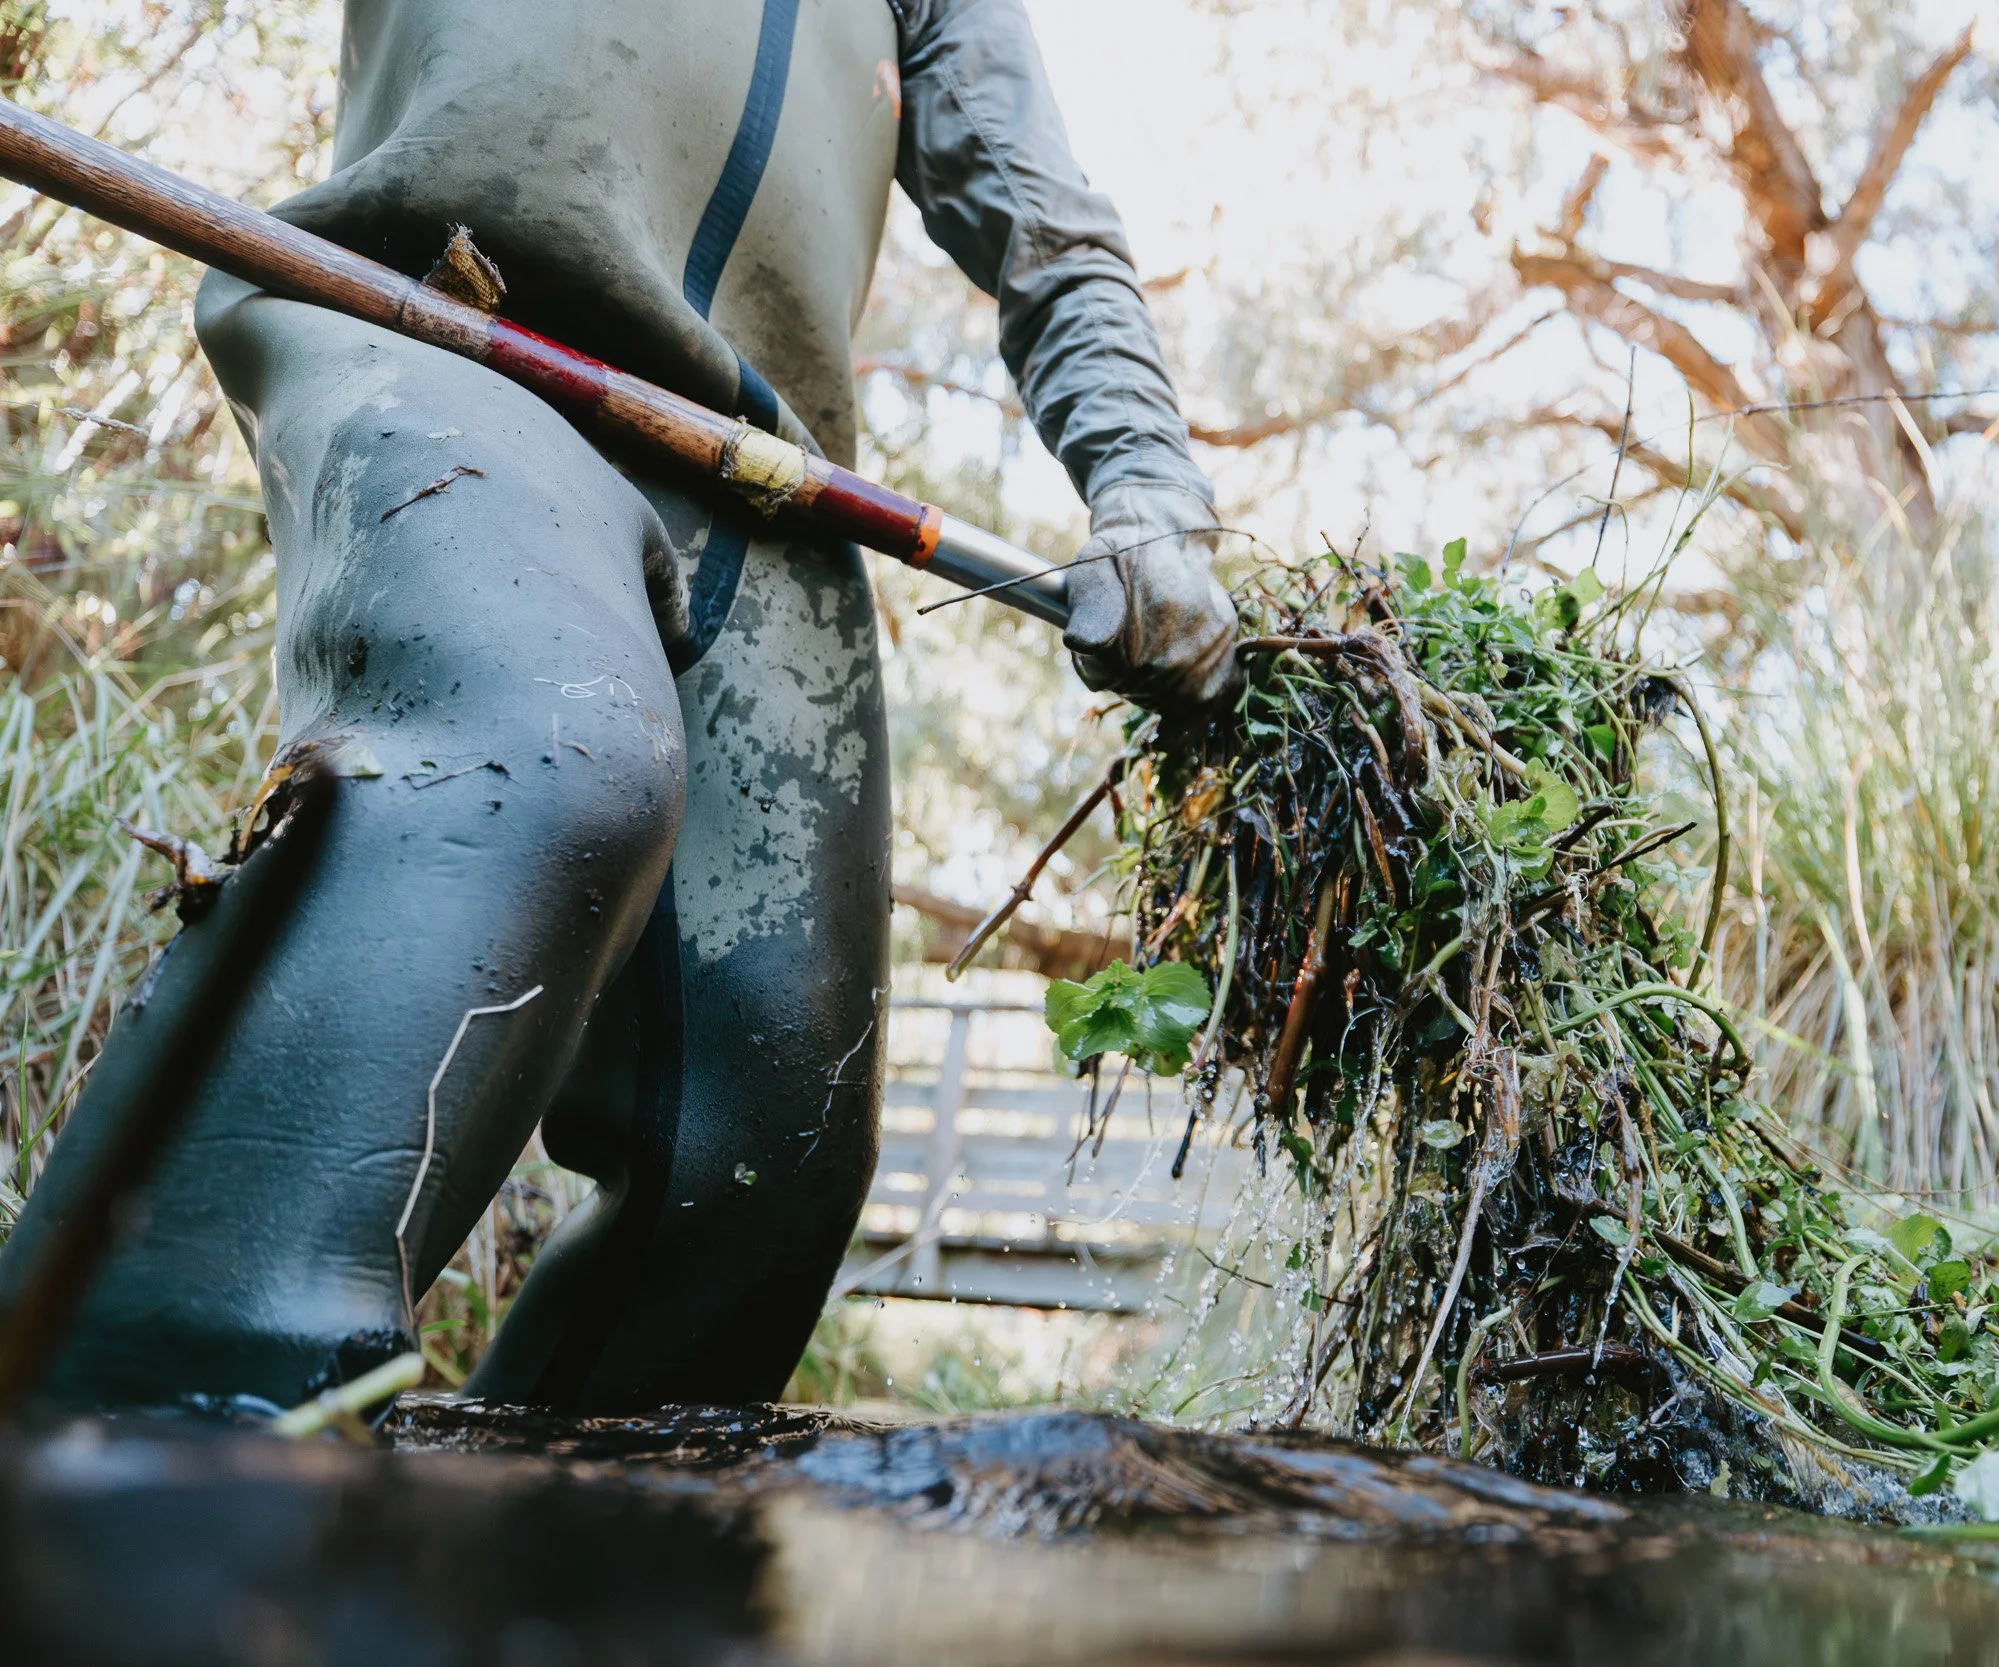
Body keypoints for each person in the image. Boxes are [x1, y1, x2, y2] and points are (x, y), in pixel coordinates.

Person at [0, 0, 1235, 1411]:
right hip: (440, 319)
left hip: (764, 493)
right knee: (546, 746)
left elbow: (1047, 229)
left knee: (774, 1133)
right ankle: (121, 1442)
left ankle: (556, 1584)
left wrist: (1145, 481)